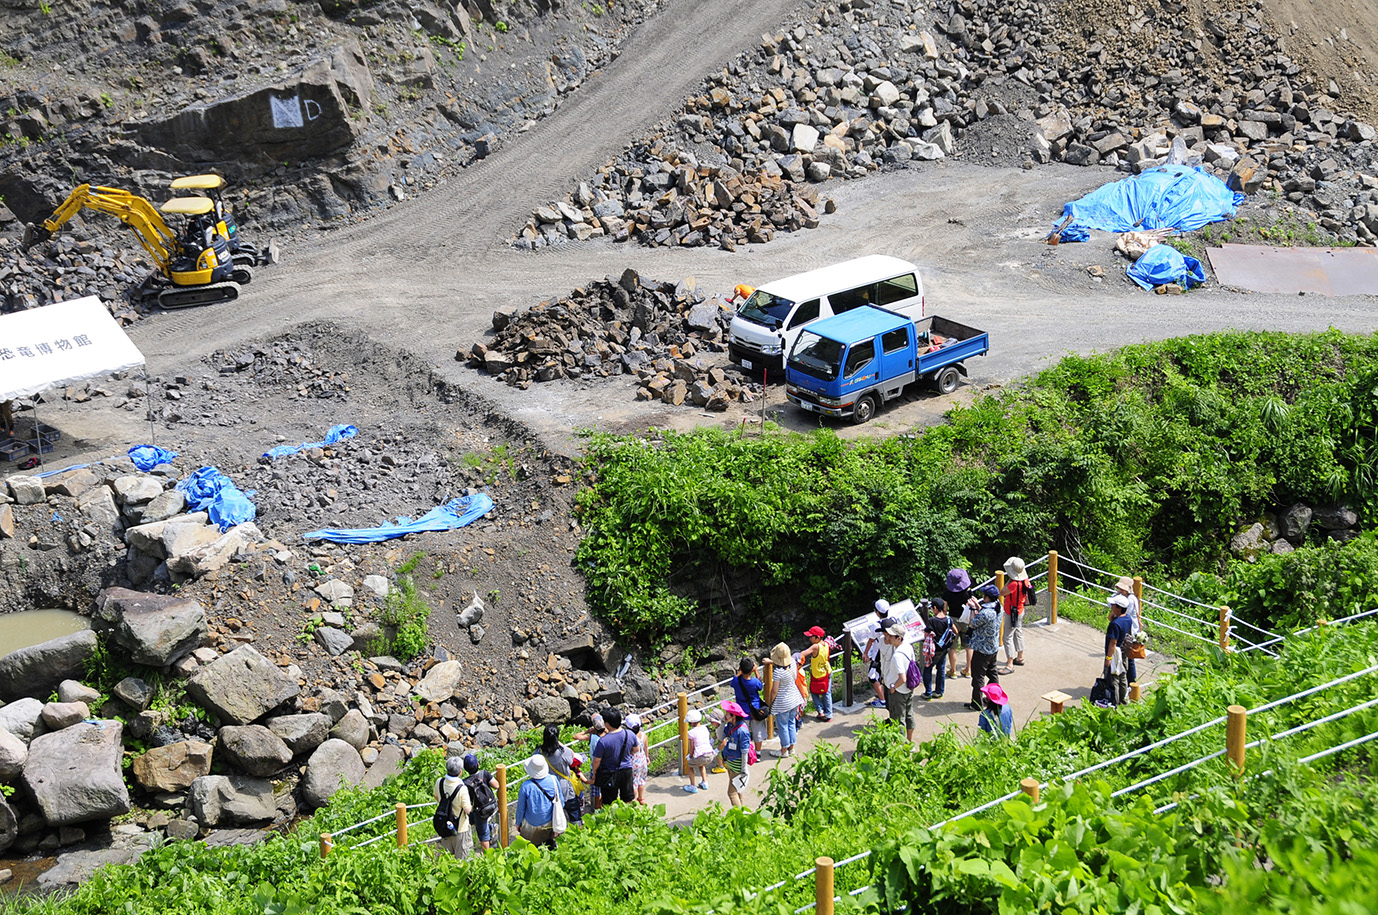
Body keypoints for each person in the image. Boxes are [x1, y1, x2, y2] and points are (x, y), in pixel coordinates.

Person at [586, 706, 635, 807]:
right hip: (626, 770)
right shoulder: (629, 734)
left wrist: (595, 772)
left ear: (607, 723)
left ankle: (612, 821)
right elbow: (636, 749)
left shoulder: (603, 741)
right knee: (627, 799)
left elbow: (596, 761)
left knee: (609, 802)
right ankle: (628, 819)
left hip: (609, 773)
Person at [541, 723, 585, 828]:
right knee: (574, 813)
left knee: (553, 815)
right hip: (565, 787)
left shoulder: (539, 752)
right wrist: (560, 744)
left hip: (548, 788)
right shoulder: (563, 752)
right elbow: (571, 759)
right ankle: (578, 834)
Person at [765, 642, 805, 757]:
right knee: (791, 723)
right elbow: (785, 661)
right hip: (795, 698)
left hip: (783, 703)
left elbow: (774, 691)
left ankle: (783, 750)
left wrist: (770, 703)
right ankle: (791, 748)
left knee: (782, 726)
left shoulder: (778, 672)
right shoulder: (792, 662)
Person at [881, 619, 918, 742]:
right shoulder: (908, 646)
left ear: (899, 638)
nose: (889, 638)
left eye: (891, 636)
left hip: (899, 691)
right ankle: (909, 742)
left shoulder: (897, 655)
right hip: (909, 688)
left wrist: (892, 686)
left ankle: (900, 746)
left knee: (897, 719)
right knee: (909, 715)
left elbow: (902, 678)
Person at [515, 754, 562, 848]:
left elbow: (521, 808)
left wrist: (518, 823)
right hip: (549, 822)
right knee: (548, 843)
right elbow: (561, 801)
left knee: (530, 847)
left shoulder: (526, 786)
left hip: (532, 824)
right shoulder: (553, 780)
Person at [967, 584, 1001, 711]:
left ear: (987, 597)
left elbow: (972, 624)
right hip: (993, 647)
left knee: (978, 677)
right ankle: (993, 698)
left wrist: (972, 609)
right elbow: (985, 615)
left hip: (982, 649)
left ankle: (976, 703)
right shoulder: (998, 607)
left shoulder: (986, 613)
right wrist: (977, 606)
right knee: (993, 673)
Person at [434, 755, 475, 859]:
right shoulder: (462, 789)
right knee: (463, 860)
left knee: (448, 859)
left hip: (444, 825)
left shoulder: (440, 782)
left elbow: (436, 796)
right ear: (460, 772)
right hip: (460, 828)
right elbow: (467, 810)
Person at [718, 700, 753, 807]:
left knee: (731, 793)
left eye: (727, 713)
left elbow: (744, 751)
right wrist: (723, 722)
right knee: (738, 789)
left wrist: (743, 769)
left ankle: (739, 816)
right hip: (729, 761)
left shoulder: (742, 731)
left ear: (733, 716)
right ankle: (743, 810)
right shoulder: (730, 725)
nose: (725, 714)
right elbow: (720, 736)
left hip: (737, 765)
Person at [462, 753, 500, 851]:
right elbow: (496, 786)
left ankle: (486, 858)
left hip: (480, 811)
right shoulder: (484, 774)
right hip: (493, 805)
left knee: (483, 835)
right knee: (472, 820)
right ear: (478, 764)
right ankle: (491, 828)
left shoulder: (465, 783)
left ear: (465, 768)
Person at [1001, 556, 1033, 669]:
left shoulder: (1013, 584)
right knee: (1018, 631)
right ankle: (1020, 657)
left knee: (1007, 637)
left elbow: (1002, 592)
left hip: (1011, 612)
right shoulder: (1025, 580)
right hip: (1020, 610)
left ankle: (1009, 663)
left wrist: (1009, 579)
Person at [731, 657, 768, 753]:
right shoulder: (754, 682)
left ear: (740, 669)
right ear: (751, 670)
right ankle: (758, 752)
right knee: (758, 732)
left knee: (744, 732)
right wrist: (756, 671)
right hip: (755, 710)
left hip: (742, 712)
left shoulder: (736, 681)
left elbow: (734, 681)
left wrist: (740, 672)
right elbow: (760, 686)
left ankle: (745, 752)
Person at [571, 712, 606, 811]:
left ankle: (597, 809)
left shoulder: (592, 737)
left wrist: (587, 731)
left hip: (595, 768)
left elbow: (576, 736)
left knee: (596, 792)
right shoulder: (607, 736)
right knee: (604, 789)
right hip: (606, 767)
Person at [1104, 593, 1134, 706]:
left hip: (1115, 654)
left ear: (1118, 607)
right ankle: (1123, 700)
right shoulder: (1127, 618)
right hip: (1124, 651)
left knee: (1114, 678)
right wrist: (1114, 613)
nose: (1111, 606)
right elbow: (1110, 617)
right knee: (1123, 676)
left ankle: (1115, 702)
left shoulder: (1115, 624)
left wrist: (1108, 658)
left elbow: (1113, 642)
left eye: (1113, 605)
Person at [800, 626, 833, 721]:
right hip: (827, 671)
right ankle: (829, 714)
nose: (809, 638)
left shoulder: (815, 646)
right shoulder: (826, 644)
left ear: (817, 637)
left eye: (811, 636)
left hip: (818, 674)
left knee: (814, 692)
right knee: (827, 693)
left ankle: (821, 711)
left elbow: (804, 653)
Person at [944, 569, 973, 677]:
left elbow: (945, 608)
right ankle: (968, 669)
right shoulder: (968, 592)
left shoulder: (947, 593)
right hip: (966, 620)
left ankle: (953, 671)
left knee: (953, 647)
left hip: (953, 620)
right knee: (968, 646)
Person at [865, 599, 892, 707]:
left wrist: (865, 653)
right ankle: (885, 695)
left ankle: (883, 700)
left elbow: (871, 640)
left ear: (877, 612)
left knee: (872, 676)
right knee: (884, 674)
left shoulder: (876, 625)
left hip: (879, 654)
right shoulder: (892, 621)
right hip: (890, 652)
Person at [1115, 576, 1142, 685]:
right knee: (1128, 658)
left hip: (1130, 632)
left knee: (1129, 659)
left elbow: (1124, 611)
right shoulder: (1127, 597)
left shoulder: (1130, 600)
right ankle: (1130, 681)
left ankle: (1131, 681)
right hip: (1130, 631)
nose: (1120, 590)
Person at [922, 598, 949, 700]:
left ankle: (928, 693)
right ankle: (939, 691)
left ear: (935, 608)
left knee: (928, 669)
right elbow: (954, 630)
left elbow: (926, 635)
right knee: (941, 669)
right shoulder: (948, 619)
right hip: (944, 649)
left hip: (932, 651)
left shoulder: (932, 621)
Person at [682, 709, 714, 792]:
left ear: (692, 722)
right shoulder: (704, 728)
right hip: (709, 754)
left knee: (690, 766)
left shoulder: (691, 732)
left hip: (700, 755)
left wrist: (690, 756)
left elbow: (692, 747)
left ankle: (692, 786)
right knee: (702, 765)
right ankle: (704, 782)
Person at [626, 713, 650, 805]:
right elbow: (646, 747)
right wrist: (647, 757)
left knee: (634, 782)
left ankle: (634, 800)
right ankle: (641, 798)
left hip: (633, 761)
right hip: (642, 758)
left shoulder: (630, 738)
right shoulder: (644, 735)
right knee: (641, 780)